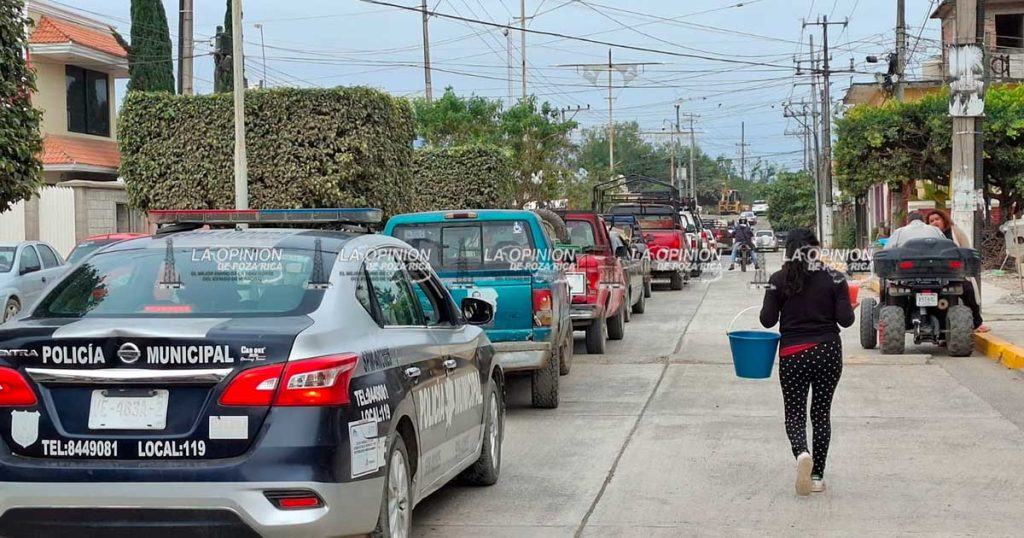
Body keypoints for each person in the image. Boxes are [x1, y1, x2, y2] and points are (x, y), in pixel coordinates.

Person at [760, 229, 855, 495]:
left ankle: (802, 453)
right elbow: (846, 320)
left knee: (795, 414)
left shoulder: (778, 279)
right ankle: (816, 476)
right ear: (816, 249)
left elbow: (767, 320)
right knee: (821, 414)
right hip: (827, 352)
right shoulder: (835, 278)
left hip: (793, 354)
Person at [926, 209, 989, 333]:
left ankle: (977, 323)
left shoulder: (955, 232)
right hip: (933, 276)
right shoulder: (927, 237)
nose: (934, 223)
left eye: (937, 219)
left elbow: (966, 250)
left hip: (955, 274)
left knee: (969, 290)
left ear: (944, 220)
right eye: (931, 221)